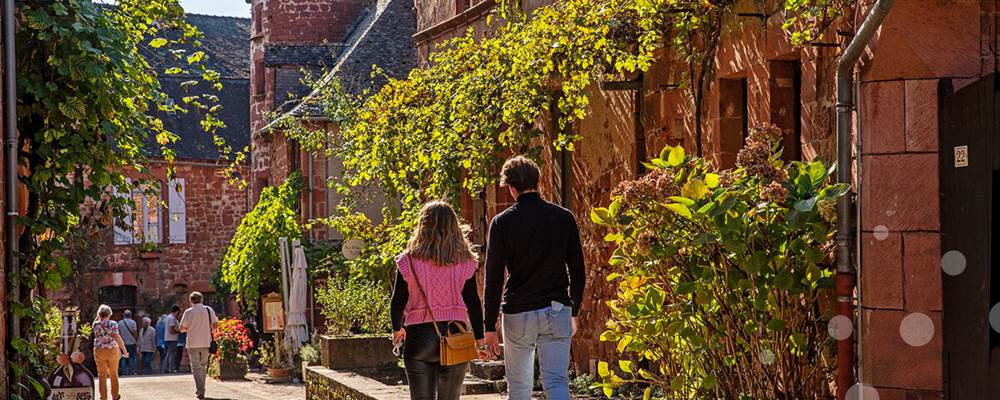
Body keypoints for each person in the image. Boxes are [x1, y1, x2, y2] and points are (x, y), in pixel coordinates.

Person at [482, 156, 586, 400]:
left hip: (518, 312)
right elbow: (578, 272)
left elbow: (494, 278)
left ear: (510, 187)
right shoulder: (564, 218)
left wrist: (489, 327)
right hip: (557, 308)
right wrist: (574, 310)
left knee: (518, 388)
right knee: (557, 382)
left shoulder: (501, 223)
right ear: (539, 181)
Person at [389, 201, 488, 400]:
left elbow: (397, 302)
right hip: (455, 335)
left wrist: (397, 328)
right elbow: (473, 303)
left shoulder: (408, 260)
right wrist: (480, 339)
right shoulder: (465, 261)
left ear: (422, 226)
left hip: (419, 337)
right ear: (454, 227)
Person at [180, 291, 219, 400]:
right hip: (206, 341)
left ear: (191, 301)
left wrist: (191, 328)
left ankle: (200, 390)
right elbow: (216, 325)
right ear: (202, 299)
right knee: (203, 366)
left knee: (196, 367)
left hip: (192, 343)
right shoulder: (208, 310)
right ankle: (202, 389)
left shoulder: (188, 312)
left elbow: (182, 328)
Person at [92, 304, 130, 400]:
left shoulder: (95, 324)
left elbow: (97, 321)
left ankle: (103, 397)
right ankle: (115, 396)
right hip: (112, 350)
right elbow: (117, 337)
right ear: (110, 313)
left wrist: (98, 316)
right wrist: (124, 350)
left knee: (101, 375)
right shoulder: (113, 324)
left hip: (99, 350)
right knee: (113, 373)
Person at [160, 305, 181, 373]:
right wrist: (179, 331)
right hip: (172, 338)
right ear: (177, 311)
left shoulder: (168, 317)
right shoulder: (172, 318)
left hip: (168, 338)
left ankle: (165, 367)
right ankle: (170, 368)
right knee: (171, 354)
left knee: (169, 353)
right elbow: (171, 330)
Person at [117, 309, 138, 375]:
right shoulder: (133, 322)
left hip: (123, 343)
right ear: (130, 315)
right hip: (131, 342)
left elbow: (118, 333)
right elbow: (135, 332)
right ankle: (132, 371)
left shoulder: (120, 323)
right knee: (132, 357)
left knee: (123, 357)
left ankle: (124, 372)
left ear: (124, 315)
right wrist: (136, 340)